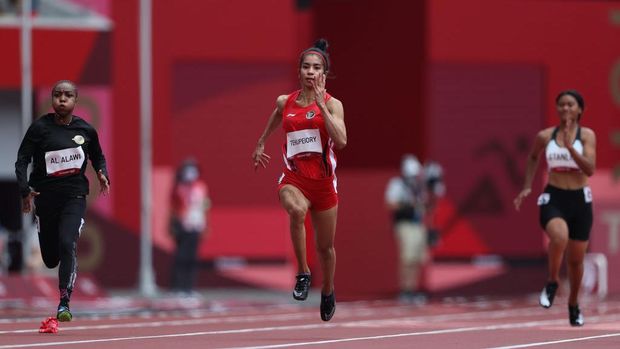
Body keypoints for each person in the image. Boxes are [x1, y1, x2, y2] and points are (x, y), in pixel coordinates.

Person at [252, 38, 346, 321]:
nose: (310, 72)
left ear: (324, 74)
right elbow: (278, 115)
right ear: (299, 71)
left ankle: (327, 289)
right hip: (294, 177)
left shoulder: (334, 104)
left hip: (324, 185)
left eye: (316, 68)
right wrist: (261, 143)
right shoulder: (286, 101)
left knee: (326, 248)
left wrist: (321, 105)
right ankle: (303, 273)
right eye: (306, 67)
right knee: (295, 209)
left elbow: (341, 140)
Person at [15, 80, 110, 323]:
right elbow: (22, 160)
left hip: (74, 197)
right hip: (45, 199)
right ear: (52, 99)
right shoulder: (39, 128)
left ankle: (64, 302)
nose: (62, 99)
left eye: (68, 95)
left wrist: (102, 173)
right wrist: (25, 189)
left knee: (68, 242)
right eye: (57, 95)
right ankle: (45, 230)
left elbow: (98, 156)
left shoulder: (86, 130)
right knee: (50, 259)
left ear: (75, 101)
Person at [513, 90, 596, 327]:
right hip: (554, 196)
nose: (565, 109)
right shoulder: (546, 135)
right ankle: (552, 281)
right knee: (559, 237)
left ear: (580, 109)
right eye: (561, 105)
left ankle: (573, 303)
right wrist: (527, 186)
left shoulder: (587, 135)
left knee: (576, 260)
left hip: (580, 199)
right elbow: (532, 158)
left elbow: (590, 169)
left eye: (570, 105)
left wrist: (571, 149)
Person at [385, 154, 429, 303]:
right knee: (407, 258)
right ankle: (405, 290)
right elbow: (390, 204)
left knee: (417, 259)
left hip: (418, 224)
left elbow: (424, 205)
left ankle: (412, 289)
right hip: (405, 224)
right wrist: (407, 205)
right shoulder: (398, 184)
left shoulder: (419, 187)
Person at [169, 158, 210, 295]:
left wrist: (205, 224)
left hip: (196, 225)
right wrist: (173, 224)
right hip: (182, 226)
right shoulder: (178, 187)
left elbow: (204, 206)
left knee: (192, 258)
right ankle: (178, 287)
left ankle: (190, 287)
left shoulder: (201, 187)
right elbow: (173, 208)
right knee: (181, 257)